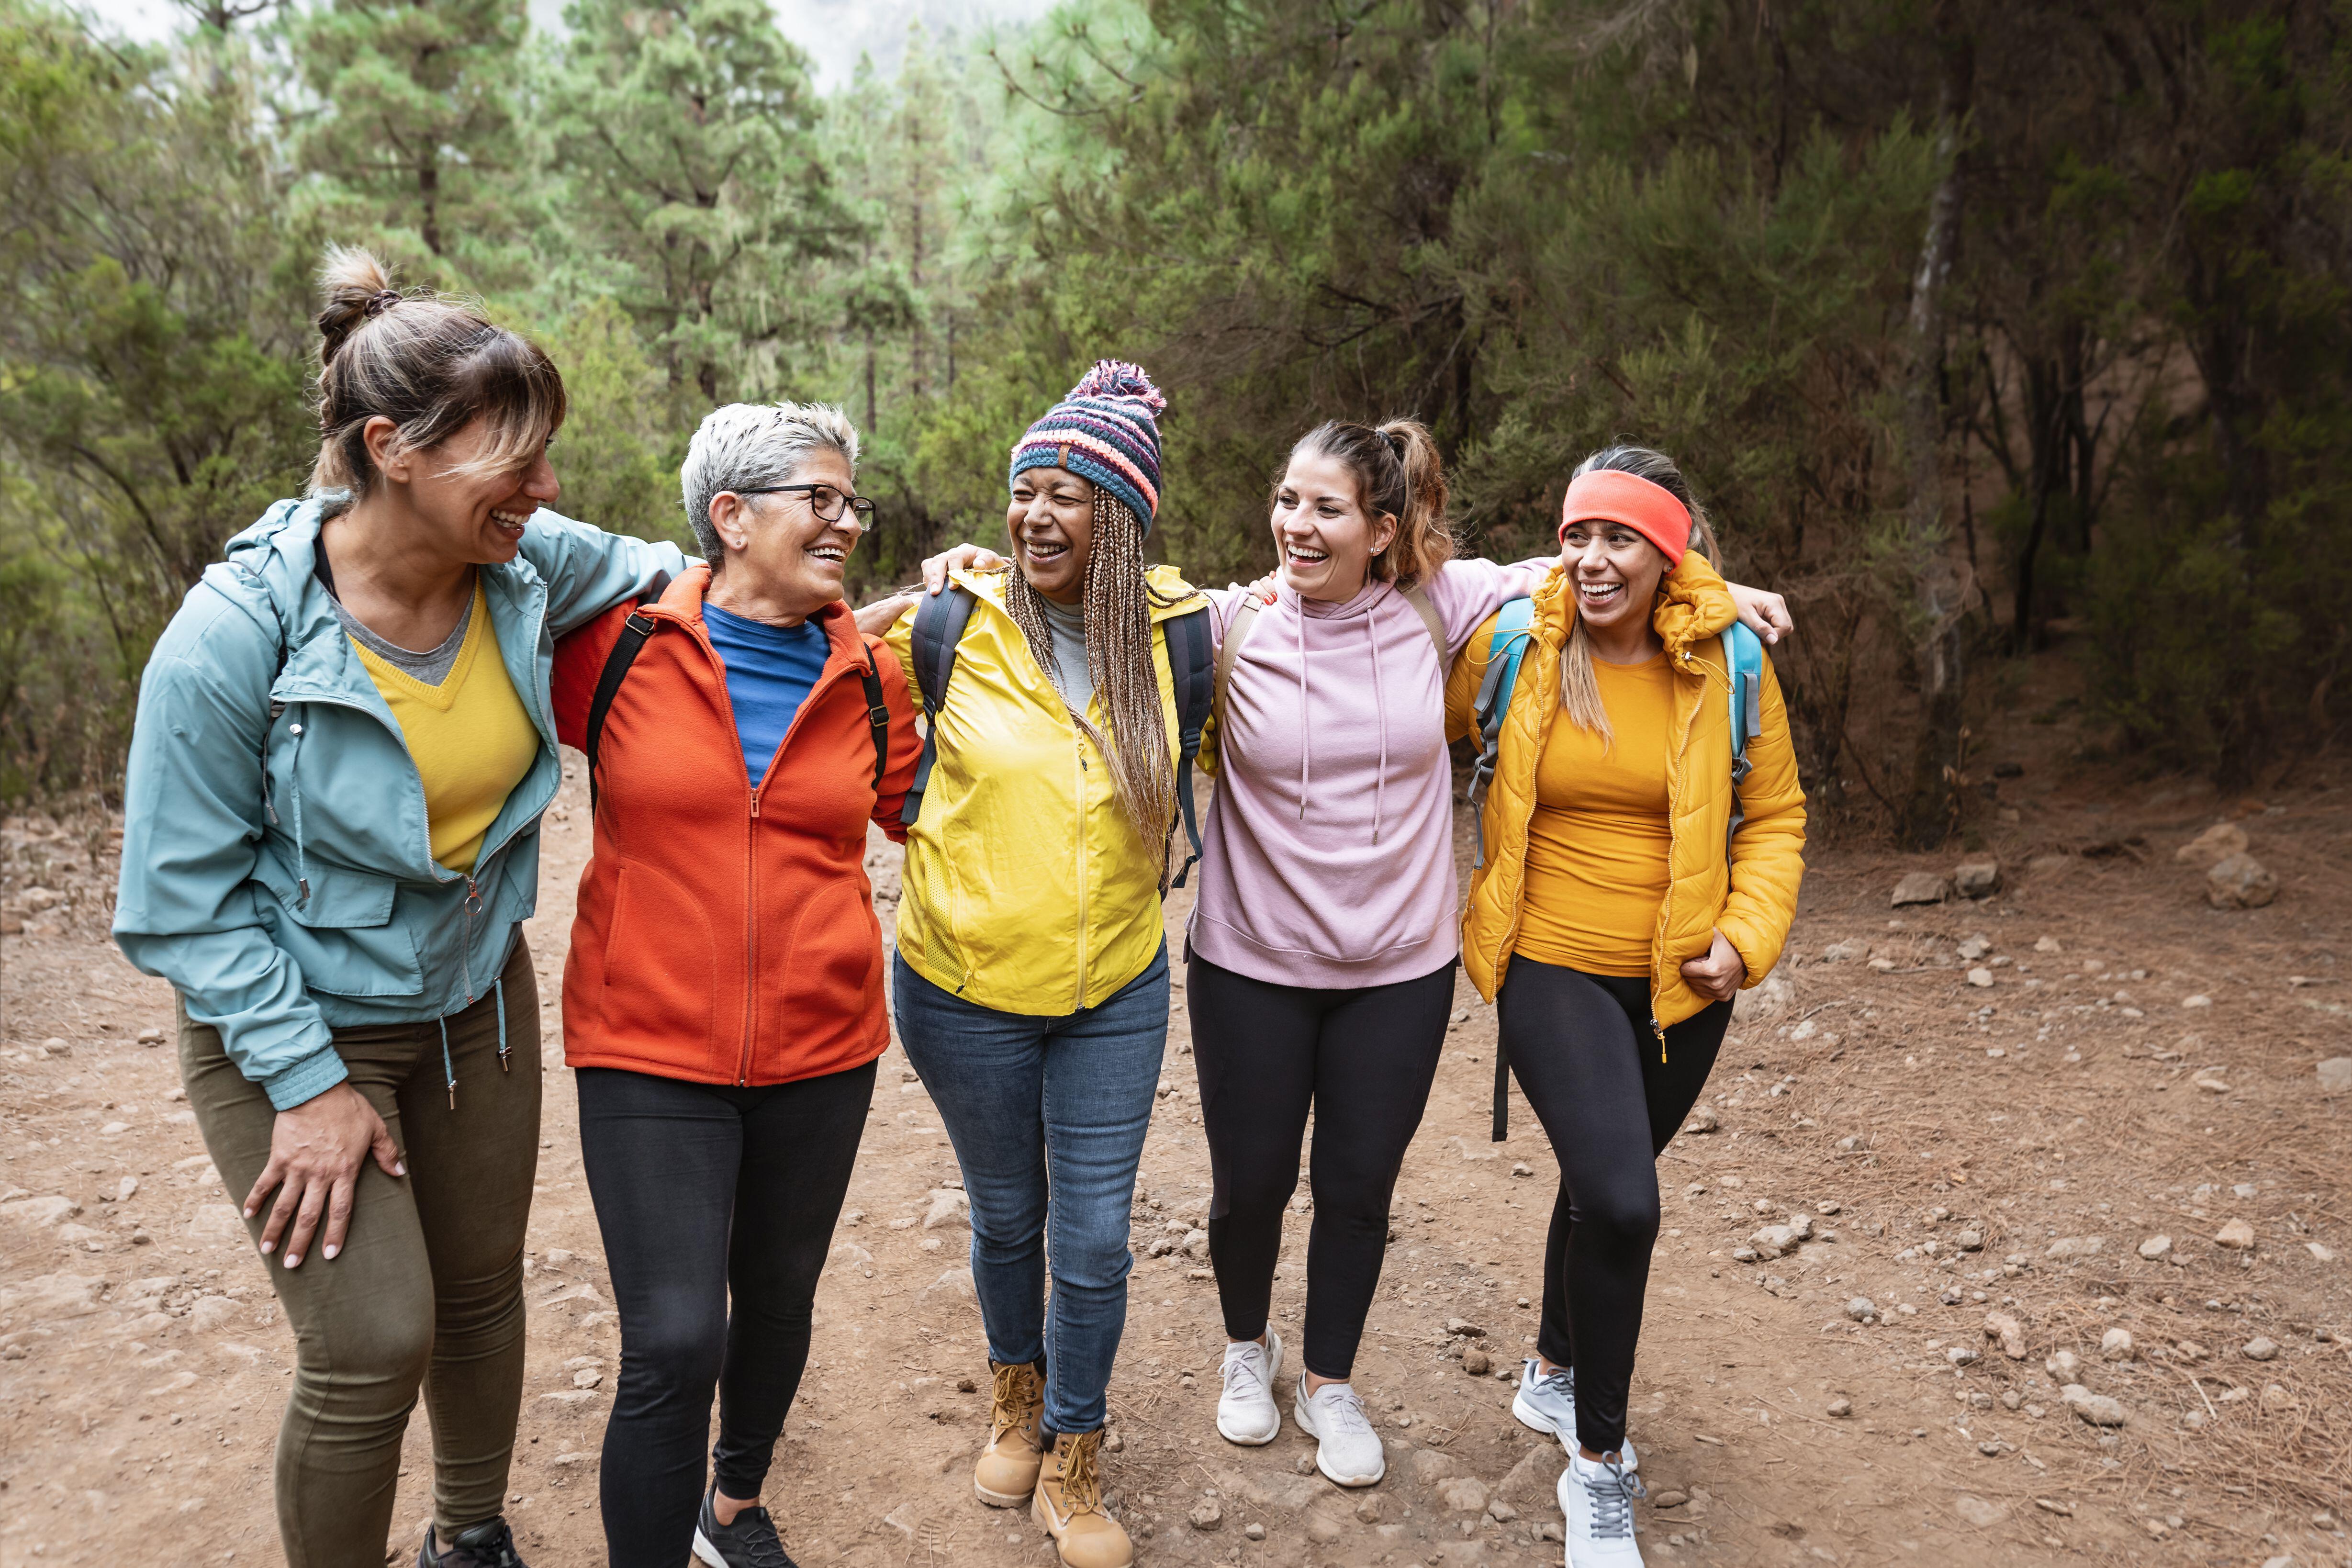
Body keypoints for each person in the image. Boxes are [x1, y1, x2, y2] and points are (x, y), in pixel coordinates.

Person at [919, 426, 1792, 1489]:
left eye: (1327, 510)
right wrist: (972, 568)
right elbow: (1096, 587)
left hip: (1400, 969)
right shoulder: (1224, 624)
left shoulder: (1442, 608)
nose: (1297, 525)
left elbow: (1586, 567)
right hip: (1251, 963)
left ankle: (1331, 1382)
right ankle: (1249, 1351)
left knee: (1358, 1189)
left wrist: (1718, 591)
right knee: (1249, 1188)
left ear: (1382, 533)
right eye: (1287, 501)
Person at [113, 247, 686, 1568]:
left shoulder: (525, 561)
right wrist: (309, 1087)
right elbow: (181, 905)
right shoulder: (232, 636)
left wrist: (866, 597)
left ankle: (470, 1537)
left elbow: (679, 569)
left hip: (473, 1001)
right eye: (517, 458)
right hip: (289, 1021)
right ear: (393, 449)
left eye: (549, 459)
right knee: (374, 1337)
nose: (547, 489)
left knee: (481, 1296)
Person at [549, 403, 918, 1568]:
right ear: (731, 516)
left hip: (824, 1050)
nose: (847, 523)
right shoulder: (612, 651)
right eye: (822, 499)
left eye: (852, 502)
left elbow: (932, 817)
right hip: (645, 1048)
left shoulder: (874, 674)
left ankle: (736, 1506)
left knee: (778, 1302)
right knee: (671, 1341)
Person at [867, 361, 1205, 1568]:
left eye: (1070, 494)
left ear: (1121, 518)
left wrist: (1703, 588)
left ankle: (1075, 1450)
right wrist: (887, 603)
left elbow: (1386, 601)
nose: (1038, 516)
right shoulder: (949, 623)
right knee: (1009, 1215)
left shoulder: (1183, 634)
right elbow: (790, 642)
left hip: (1114, 986)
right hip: (962, 987)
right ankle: (1015, 1390)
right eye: (1026, 492)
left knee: (1099, 1236)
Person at [1446, 447, 1806, 1566]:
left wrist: (1747, 943)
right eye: (1578, 536)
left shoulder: (1730, 658)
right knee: (1627, 1199)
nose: (1596, 560)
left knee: (1608, 1192)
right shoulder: (1517, 643)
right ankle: (1597, 1468)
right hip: (1548, 956)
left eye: (1624, 540)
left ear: (1670, 552)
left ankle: (1553, 1372)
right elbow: (1399, 649)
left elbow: (1778, 815)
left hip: (1682, 985)